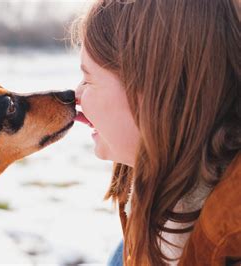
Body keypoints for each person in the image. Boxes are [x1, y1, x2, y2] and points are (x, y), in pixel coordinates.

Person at [71, 0, 240, 265]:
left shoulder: (227, 242)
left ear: (151, 91)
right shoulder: (154, 212)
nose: (76, 96)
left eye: (88, 79)